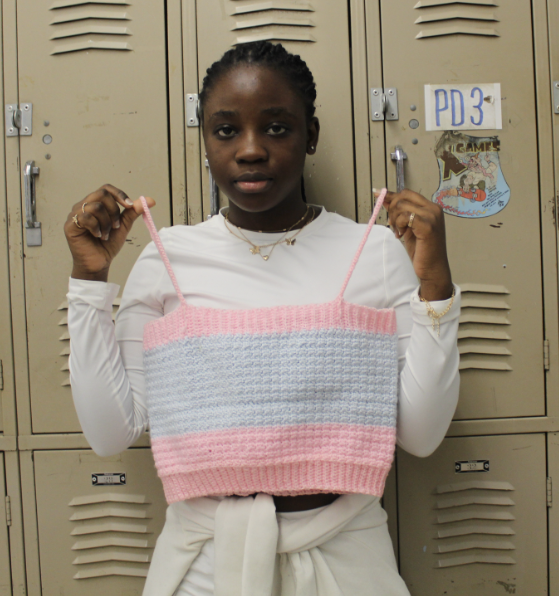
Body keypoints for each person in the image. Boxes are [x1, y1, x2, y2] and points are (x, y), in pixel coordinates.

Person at [64, 41, 460, 596]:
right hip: (203, 566)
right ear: (204, 140)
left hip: (345, 562)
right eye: (226, 130)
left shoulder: (372, 250)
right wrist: (88, 283)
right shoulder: (167, 255)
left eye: (276, 128)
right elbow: (110, 434)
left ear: (311, 135)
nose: (250, 150)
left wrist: (436, 289)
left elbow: (421, 437)